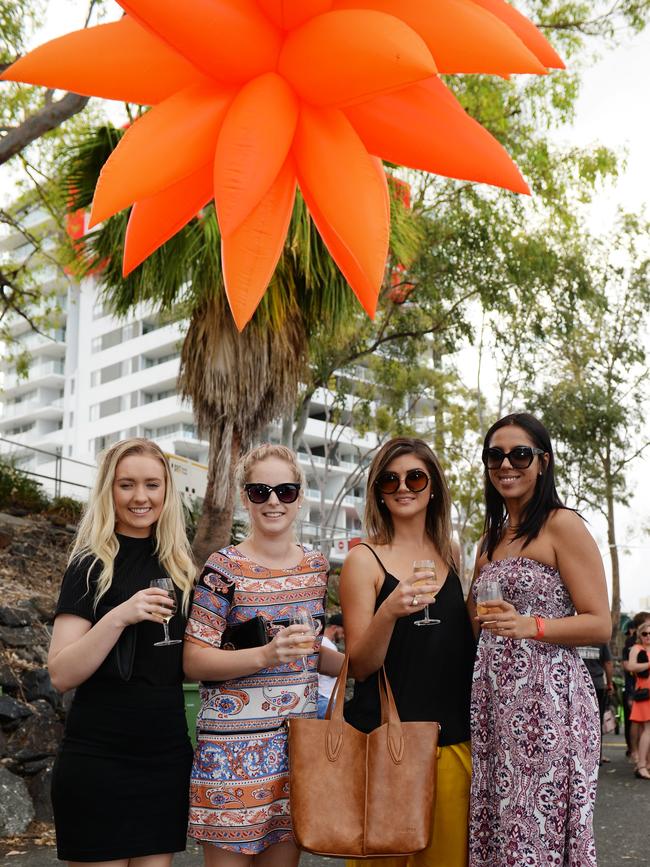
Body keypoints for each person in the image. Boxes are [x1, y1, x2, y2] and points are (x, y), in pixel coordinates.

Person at [183, 444, 343, 866]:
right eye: (260, 492)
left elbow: (311, 654)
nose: (273, 501)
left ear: (299, 496)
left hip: (294, 752)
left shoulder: (316, 568)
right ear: (244, 498)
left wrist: (363, 667)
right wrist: (266, 655)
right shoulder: (223, 567)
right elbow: (194, 660)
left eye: (285, 491)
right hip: (230, 756)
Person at [468, 412, 611, 867]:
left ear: (542, 462)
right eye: (495, 455)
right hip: (494, 703)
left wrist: (534, 625)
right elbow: (476, 625)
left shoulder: (561, 525)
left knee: (539, 825)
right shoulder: (489, 539)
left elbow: (600, 623)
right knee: (501, 823)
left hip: (548, 705)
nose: (506, 464)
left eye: (520, 454)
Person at [49, 438, 196, 865]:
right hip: (99, 757)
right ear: (108, 491)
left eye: (152, 484)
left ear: (167, 491)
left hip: (165, 756)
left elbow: (186, 663)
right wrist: (120, 615)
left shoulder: (182, 568)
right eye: (126, 485)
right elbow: (61, 673)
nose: (140, 497)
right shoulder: (89, 565)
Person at [340, 437, 476, 867]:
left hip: (451, 742)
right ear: (378, 491)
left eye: (415, 477)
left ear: (433, 486)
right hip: (385, 747)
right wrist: (390, 612)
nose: (403, 487)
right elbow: (360, 664)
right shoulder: (364, 560)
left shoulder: (450, 554)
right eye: (390, 479)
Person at [577, 643, 614, 763]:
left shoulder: (577, 635)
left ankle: (580, 754)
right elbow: (608, 663)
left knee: (578, 720)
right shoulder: (600, 639)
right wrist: (609, 683)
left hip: (578, 683)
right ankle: (597, 755)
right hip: (597, 684)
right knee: (596, 721)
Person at [623, 611, 650, 764]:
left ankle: (645, 761)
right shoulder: (635, 648)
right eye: (645, 633)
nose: (648, 636)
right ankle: (639, 760)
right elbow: (630, 666)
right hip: (641, 691)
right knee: (642, 727)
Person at [317, 613, 345, 718]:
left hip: (322, 699)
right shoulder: (327, 645)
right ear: (334, 628)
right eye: (343, 631)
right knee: (342, 732)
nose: (343, 636)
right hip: (324, 699)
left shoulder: (321, 642)